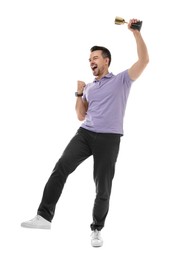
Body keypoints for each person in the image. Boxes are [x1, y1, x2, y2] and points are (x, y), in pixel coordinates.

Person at [21, 18, 149, 247]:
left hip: (109, 138)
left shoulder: (121, 80)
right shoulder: (90, 87)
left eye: (95, 57)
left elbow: (144, 60)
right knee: (61, 167)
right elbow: (81, 115)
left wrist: (135, 33)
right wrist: (79, 93)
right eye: (89, 59)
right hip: (85, 134)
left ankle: (97, 230)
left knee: (103, 186)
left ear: (106, 60)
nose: (91, 61)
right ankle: (43, 216)